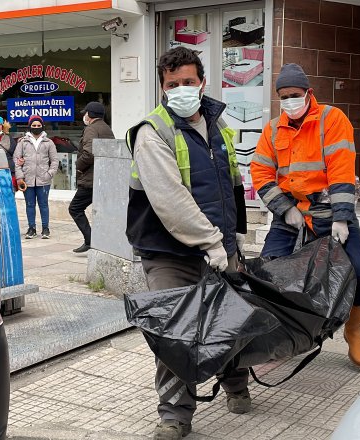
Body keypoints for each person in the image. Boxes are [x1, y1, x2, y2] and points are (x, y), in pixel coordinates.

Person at [126, 47, 248, 440]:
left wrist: (233, 239)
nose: (181, 89)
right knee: (175, 333)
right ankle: (175, 416)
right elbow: (170, 200)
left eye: (188, 83)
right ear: (162, 87)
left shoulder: (218, 127)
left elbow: (232, 185)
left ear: (202, 83)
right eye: (172, 84)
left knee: (230, 319)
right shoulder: (153, 132)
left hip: (219, 247)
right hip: (169, 254)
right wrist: (211, 241)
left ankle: (236, 383)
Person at [250, 63, 360, 370]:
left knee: (359, 271)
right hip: (291, 213)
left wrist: (342, 217)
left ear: (308, 93)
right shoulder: (273, 129)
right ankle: (283, 336)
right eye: (284, 96)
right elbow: (260, 172)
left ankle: (353, 331)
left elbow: (342, 170)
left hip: (331, 212)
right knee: (269, 274)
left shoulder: (331, 120)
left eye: (295, 94)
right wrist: (285, 209)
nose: (290, 101)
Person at [69, 101, 115, 253]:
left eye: (85, 113)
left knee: (75, 208)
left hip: (90, 179)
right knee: (102, 211)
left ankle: (90, 240)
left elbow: (89, 153)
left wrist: (78, 166)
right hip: (105, 177)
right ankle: (103, 241)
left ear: (89, 115)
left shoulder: (91, 129)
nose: (84, 116)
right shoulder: (107, 128)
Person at [14, 114, 58, 239]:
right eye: (34, 125)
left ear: (42, 126)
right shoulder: (23, 142)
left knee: (43, 204)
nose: (36, 127)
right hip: (27, 179)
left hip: (44, 179)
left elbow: (54, 160)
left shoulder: (48, 142)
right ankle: (31, 228)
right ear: (30, 126)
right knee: (29, 204)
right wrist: (20, 177)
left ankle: (45, 228)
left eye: (39, 125)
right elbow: (17, 160)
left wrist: (50, 174)